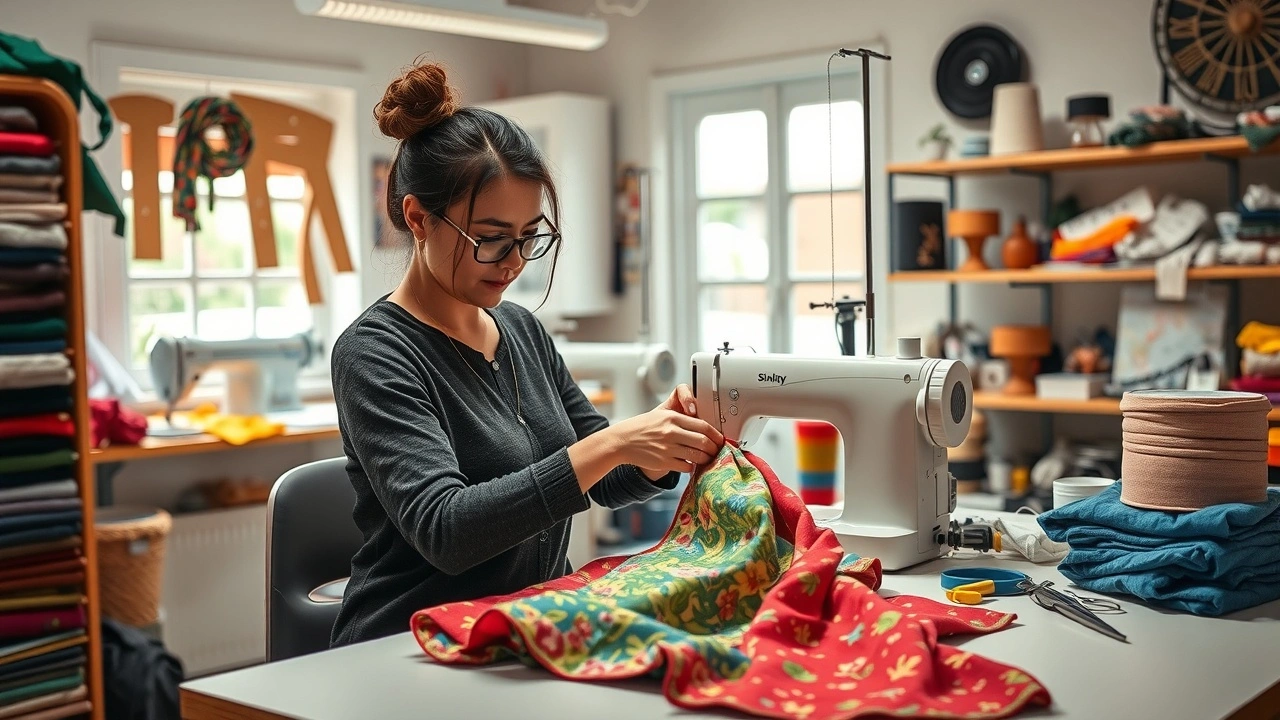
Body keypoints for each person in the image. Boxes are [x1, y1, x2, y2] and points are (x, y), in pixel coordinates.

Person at [329, 61, 725, 647]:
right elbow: (448, 529)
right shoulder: (376, 354)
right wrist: (610, 443)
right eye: (490, 238)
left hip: (521, 631)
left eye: (529, 237)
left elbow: (604, 480)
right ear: (417, 217)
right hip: (409, 645)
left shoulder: (521, 331)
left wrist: (655, 448)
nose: (515, 261)